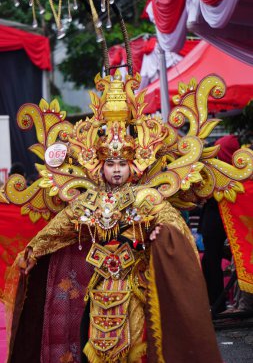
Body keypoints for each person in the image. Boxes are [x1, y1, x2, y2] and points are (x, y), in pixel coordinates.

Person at [5, 71, 251, 363]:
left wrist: (164, 236)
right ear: (100, 166)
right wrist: (33, 249)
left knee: (137, 348)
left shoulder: (146, 198)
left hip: (135, 286)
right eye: (111, 163)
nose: (117, 169)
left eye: (123, 163)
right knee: (95, 348)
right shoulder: (88, 201)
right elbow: (60, 229)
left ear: (134, 165)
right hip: (98, 290)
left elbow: (174, 226)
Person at [200, 135, 240, 313]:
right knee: (210, 261)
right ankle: (217, 303)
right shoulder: (228, 172)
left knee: (213, 261)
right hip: (217, 220)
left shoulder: (231, 173)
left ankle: (218, 303)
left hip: (219, 220)